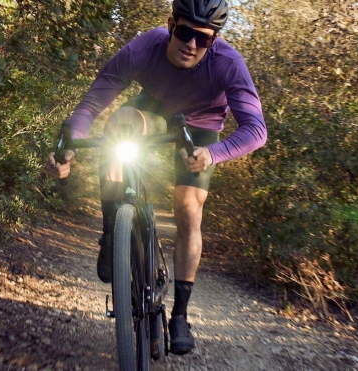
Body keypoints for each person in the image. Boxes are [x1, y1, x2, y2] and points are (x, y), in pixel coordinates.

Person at [45, 0, 266, 355]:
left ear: (215, 41)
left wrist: (213, 153)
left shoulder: (228, 63)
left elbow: (256, 129)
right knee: (120, 125)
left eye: (203, 39)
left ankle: (180, 314)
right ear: (170, 25)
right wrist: (70, 149)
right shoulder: (145, 46)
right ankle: (112, 229)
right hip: (156, 109)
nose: (191, 44)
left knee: (189, 209)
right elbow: (92, 103)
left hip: (202, 126)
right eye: (184, 32)